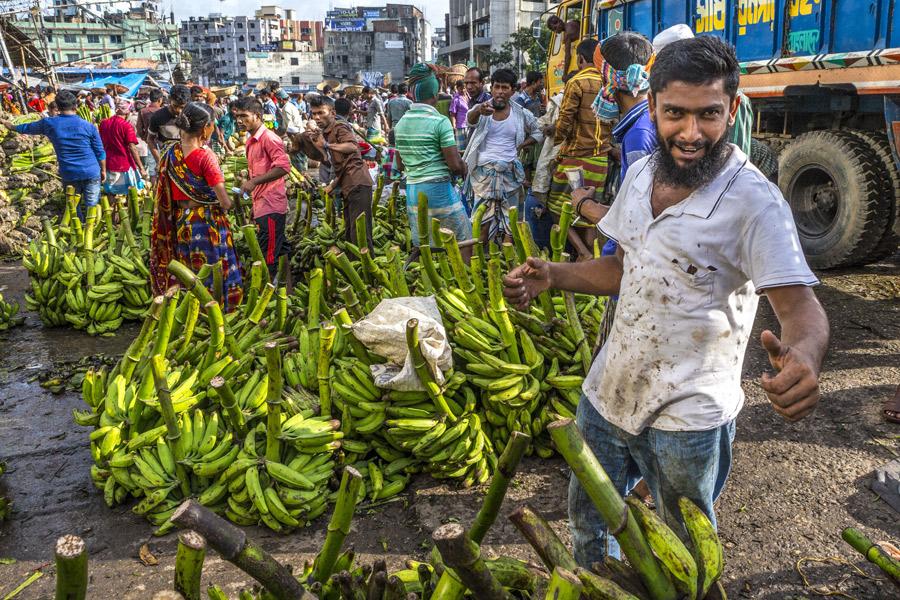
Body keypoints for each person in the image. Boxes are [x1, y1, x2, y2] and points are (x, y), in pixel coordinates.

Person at [502, 35, 829, 568]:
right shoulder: (639, 174)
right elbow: (624, 267)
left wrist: (806, 357)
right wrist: (554, 274)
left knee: (681, 550)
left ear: (734, 110)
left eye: (709, 115)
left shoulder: (754, 201)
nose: (690, 133)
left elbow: (800, 309)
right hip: (609, 391)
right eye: (675, 113)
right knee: (590, 524)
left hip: (689, 414)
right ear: (651, 105)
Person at [149, 102, 243, 312]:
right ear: (205, 128)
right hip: (206, 222)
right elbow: (225, 201)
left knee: (189, 268)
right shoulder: (205, 156)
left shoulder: (170, 152)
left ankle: (191, 311)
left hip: (182, 221)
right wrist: (235, 200)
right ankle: (217, 310)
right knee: (213, 268)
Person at [394, 63, 470, 255]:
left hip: (413, 191)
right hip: (438, 190)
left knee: (427, 247)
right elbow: (453, 164)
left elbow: (400, 164)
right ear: (435, 95)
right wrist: (464, 167)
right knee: (463, 240)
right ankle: (469, 277)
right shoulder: (440, 122)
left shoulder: (401, 124)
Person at [464, 68, 542, 243]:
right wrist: (478, 111)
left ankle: (507, 263)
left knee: (511, 223)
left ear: (513, 90)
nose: (500, 92)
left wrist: (523, 144)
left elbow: (538, 131)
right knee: (481, 222)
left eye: (504, 87)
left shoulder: (520, 113)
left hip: (510, 173)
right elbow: (470, 119)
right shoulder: (483, 108)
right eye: (496, 87)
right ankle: (480, 263)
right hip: (484, 173)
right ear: (491, 88)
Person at [0, 90, 105, 219]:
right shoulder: (88, 126)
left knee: (73, 206)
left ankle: (78, 233)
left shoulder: (50, 123)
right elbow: (100, 152)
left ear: (58, 107)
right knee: (92, 206)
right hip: (91, 170)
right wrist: (103, 170)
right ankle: (92, 231)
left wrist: (9, 125)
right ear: (75, 106)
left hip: (69, 172)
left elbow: (26, 128)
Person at [549, 38, 609, 260]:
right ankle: (594, 256)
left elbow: (564, 122)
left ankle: (584, 254)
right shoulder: (608, 82)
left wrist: (553, 140)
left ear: (581, 59)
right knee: (590, 211)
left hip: (575, 160)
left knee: (557, 209)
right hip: (600, 160)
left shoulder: (577, 82)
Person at [294, 95, 374, 249]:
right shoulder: (326, 132)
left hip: (358, 183)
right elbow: (334, 162)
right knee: (351, 233)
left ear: (332, 112)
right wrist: (318, 145)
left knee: (361, 234)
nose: (317, 117)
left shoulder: (339, 127)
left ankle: (367, 271)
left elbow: (352, 146)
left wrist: (327, 145)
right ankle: (354, 268)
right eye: (314, 113)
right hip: (348, 186)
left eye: (321, 113)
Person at [232, 97, 292, 277]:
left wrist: (253, 182)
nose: (239, 121)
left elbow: (283, 167)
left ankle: (270, 295)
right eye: (237, 116)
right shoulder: (251, 142)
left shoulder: (269, 138)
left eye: (244, 116)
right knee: (278, 249)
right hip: (262, 204)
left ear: (257, 116)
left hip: (272, 204)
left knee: (270, 254)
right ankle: (286, 289)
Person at [98, 98, 147, 196]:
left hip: (108, 163)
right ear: (128, 111)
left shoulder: (104, 123)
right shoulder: (126, 126)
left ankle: (112, 211)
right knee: (128, 193)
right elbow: (132, 147)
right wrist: (141, 167)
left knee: (111, 193)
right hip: (123, 164)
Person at [148, 85, 191, 170]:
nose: (179, 110)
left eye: (182, 107)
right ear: (169, 99)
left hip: (189, 161)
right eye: (175, 106)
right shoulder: (158, 116)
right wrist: (160, 161)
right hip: (168, 163)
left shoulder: (191, 115)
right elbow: (150, 140)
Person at [448, 80, 469, 152]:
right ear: (457, 88)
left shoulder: (468, 96)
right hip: (460, 127)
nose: (463, 90)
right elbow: (452, 114)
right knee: (461, 150)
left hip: (469, 125)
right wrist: (454, 126)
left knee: (469, 148)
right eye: (461, 88)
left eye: (464, 88)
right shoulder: (456, 99)